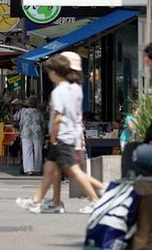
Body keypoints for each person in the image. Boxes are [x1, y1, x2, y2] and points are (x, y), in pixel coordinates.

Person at [16, 52, 100, 215]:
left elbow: (58, 117)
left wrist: (53, 136)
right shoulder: (75, 89)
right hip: (69, 135)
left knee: (73, 171)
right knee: (50, 169)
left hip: (62, 136)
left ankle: (98, 198)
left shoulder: (60, 91)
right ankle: (42, 201)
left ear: (55, 73)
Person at [19, 96, 44, 175]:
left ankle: (29, 169)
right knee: (38, 151)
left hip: (26, 132)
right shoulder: (38, 112)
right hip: (37, 132)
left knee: (27, 151)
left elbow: (21, 123)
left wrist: (21, 130)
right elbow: (42, 122)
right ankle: (37, 169)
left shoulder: (23, 111)